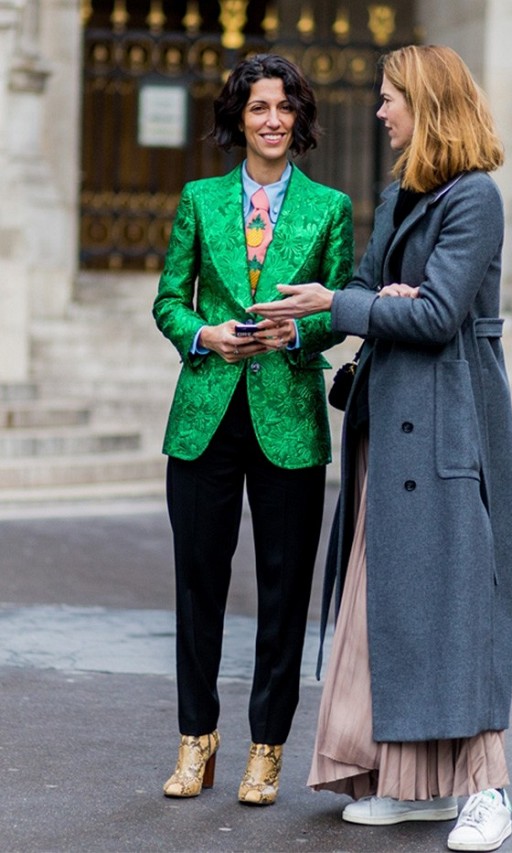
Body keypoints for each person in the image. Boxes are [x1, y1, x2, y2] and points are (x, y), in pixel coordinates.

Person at [250, 44, 512, 851]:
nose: (379, 111)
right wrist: (311, 316)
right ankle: (412, 786)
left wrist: (359, 301)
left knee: (456, 603)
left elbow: (435, 315)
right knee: (391, 611)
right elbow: (369, 291)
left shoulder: (475, 199)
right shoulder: (403, 191)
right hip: (389, 424)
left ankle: (489, 791)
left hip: (448, 427)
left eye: (390, 97)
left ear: (427, 104)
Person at [152, 54, 353, 807]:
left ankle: (265, 748)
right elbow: (170, 299)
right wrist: (205, 335)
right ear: (238, 117)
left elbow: (337, 307)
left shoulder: (329, 207)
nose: (272, 119)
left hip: (289, 417)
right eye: (258, 106)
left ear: (299, 119)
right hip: (205, 412)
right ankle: (195, 739)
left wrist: (298, 338)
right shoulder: (199, 200)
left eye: (285, 107)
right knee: (198, 585)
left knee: (283, 588)